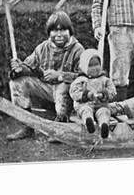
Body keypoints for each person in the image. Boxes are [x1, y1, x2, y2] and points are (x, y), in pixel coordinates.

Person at [6, 11, 84, 141]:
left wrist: (60, 76)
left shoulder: (78, 49)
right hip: (47, 91)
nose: (58, 34)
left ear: (70, 31)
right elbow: (28, 67)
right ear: (49, 33)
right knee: (17, 82)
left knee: (63, 85)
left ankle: (61, 129)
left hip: (68, 95)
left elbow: (84, 78)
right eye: (54, 30)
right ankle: (27, 126)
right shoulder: (42, 48)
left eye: (63, 30)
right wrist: (19, 68)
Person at [69, 49, 117, 138]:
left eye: (96, 64)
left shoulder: (104, 79)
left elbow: (112, 91)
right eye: (90, 65)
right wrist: (86, 95)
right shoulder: (81, 80)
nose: (94, 68)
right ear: (84, 66)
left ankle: (104, 125)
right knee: (85, 110)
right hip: (85, 104)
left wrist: (104, 95)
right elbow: (74, 93)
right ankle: (88, 122)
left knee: (104, 111)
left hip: (101, 105)